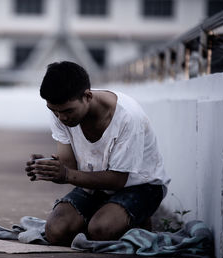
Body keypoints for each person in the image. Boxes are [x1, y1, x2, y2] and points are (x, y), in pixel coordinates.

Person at [25, 61, 170, 246]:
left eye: (68, 111)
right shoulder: (60, 111)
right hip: (95, 184)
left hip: (141, 186)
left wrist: (66, 175)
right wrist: (48, 167)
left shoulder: (127, 117)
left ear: (87, 96)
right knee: (56, 231)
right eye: (54, 111)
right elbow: (69, 166)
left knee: (101, 230)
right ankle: (110, 214)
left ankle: (129, 218)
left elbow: (118, 179)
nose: (62, 118)